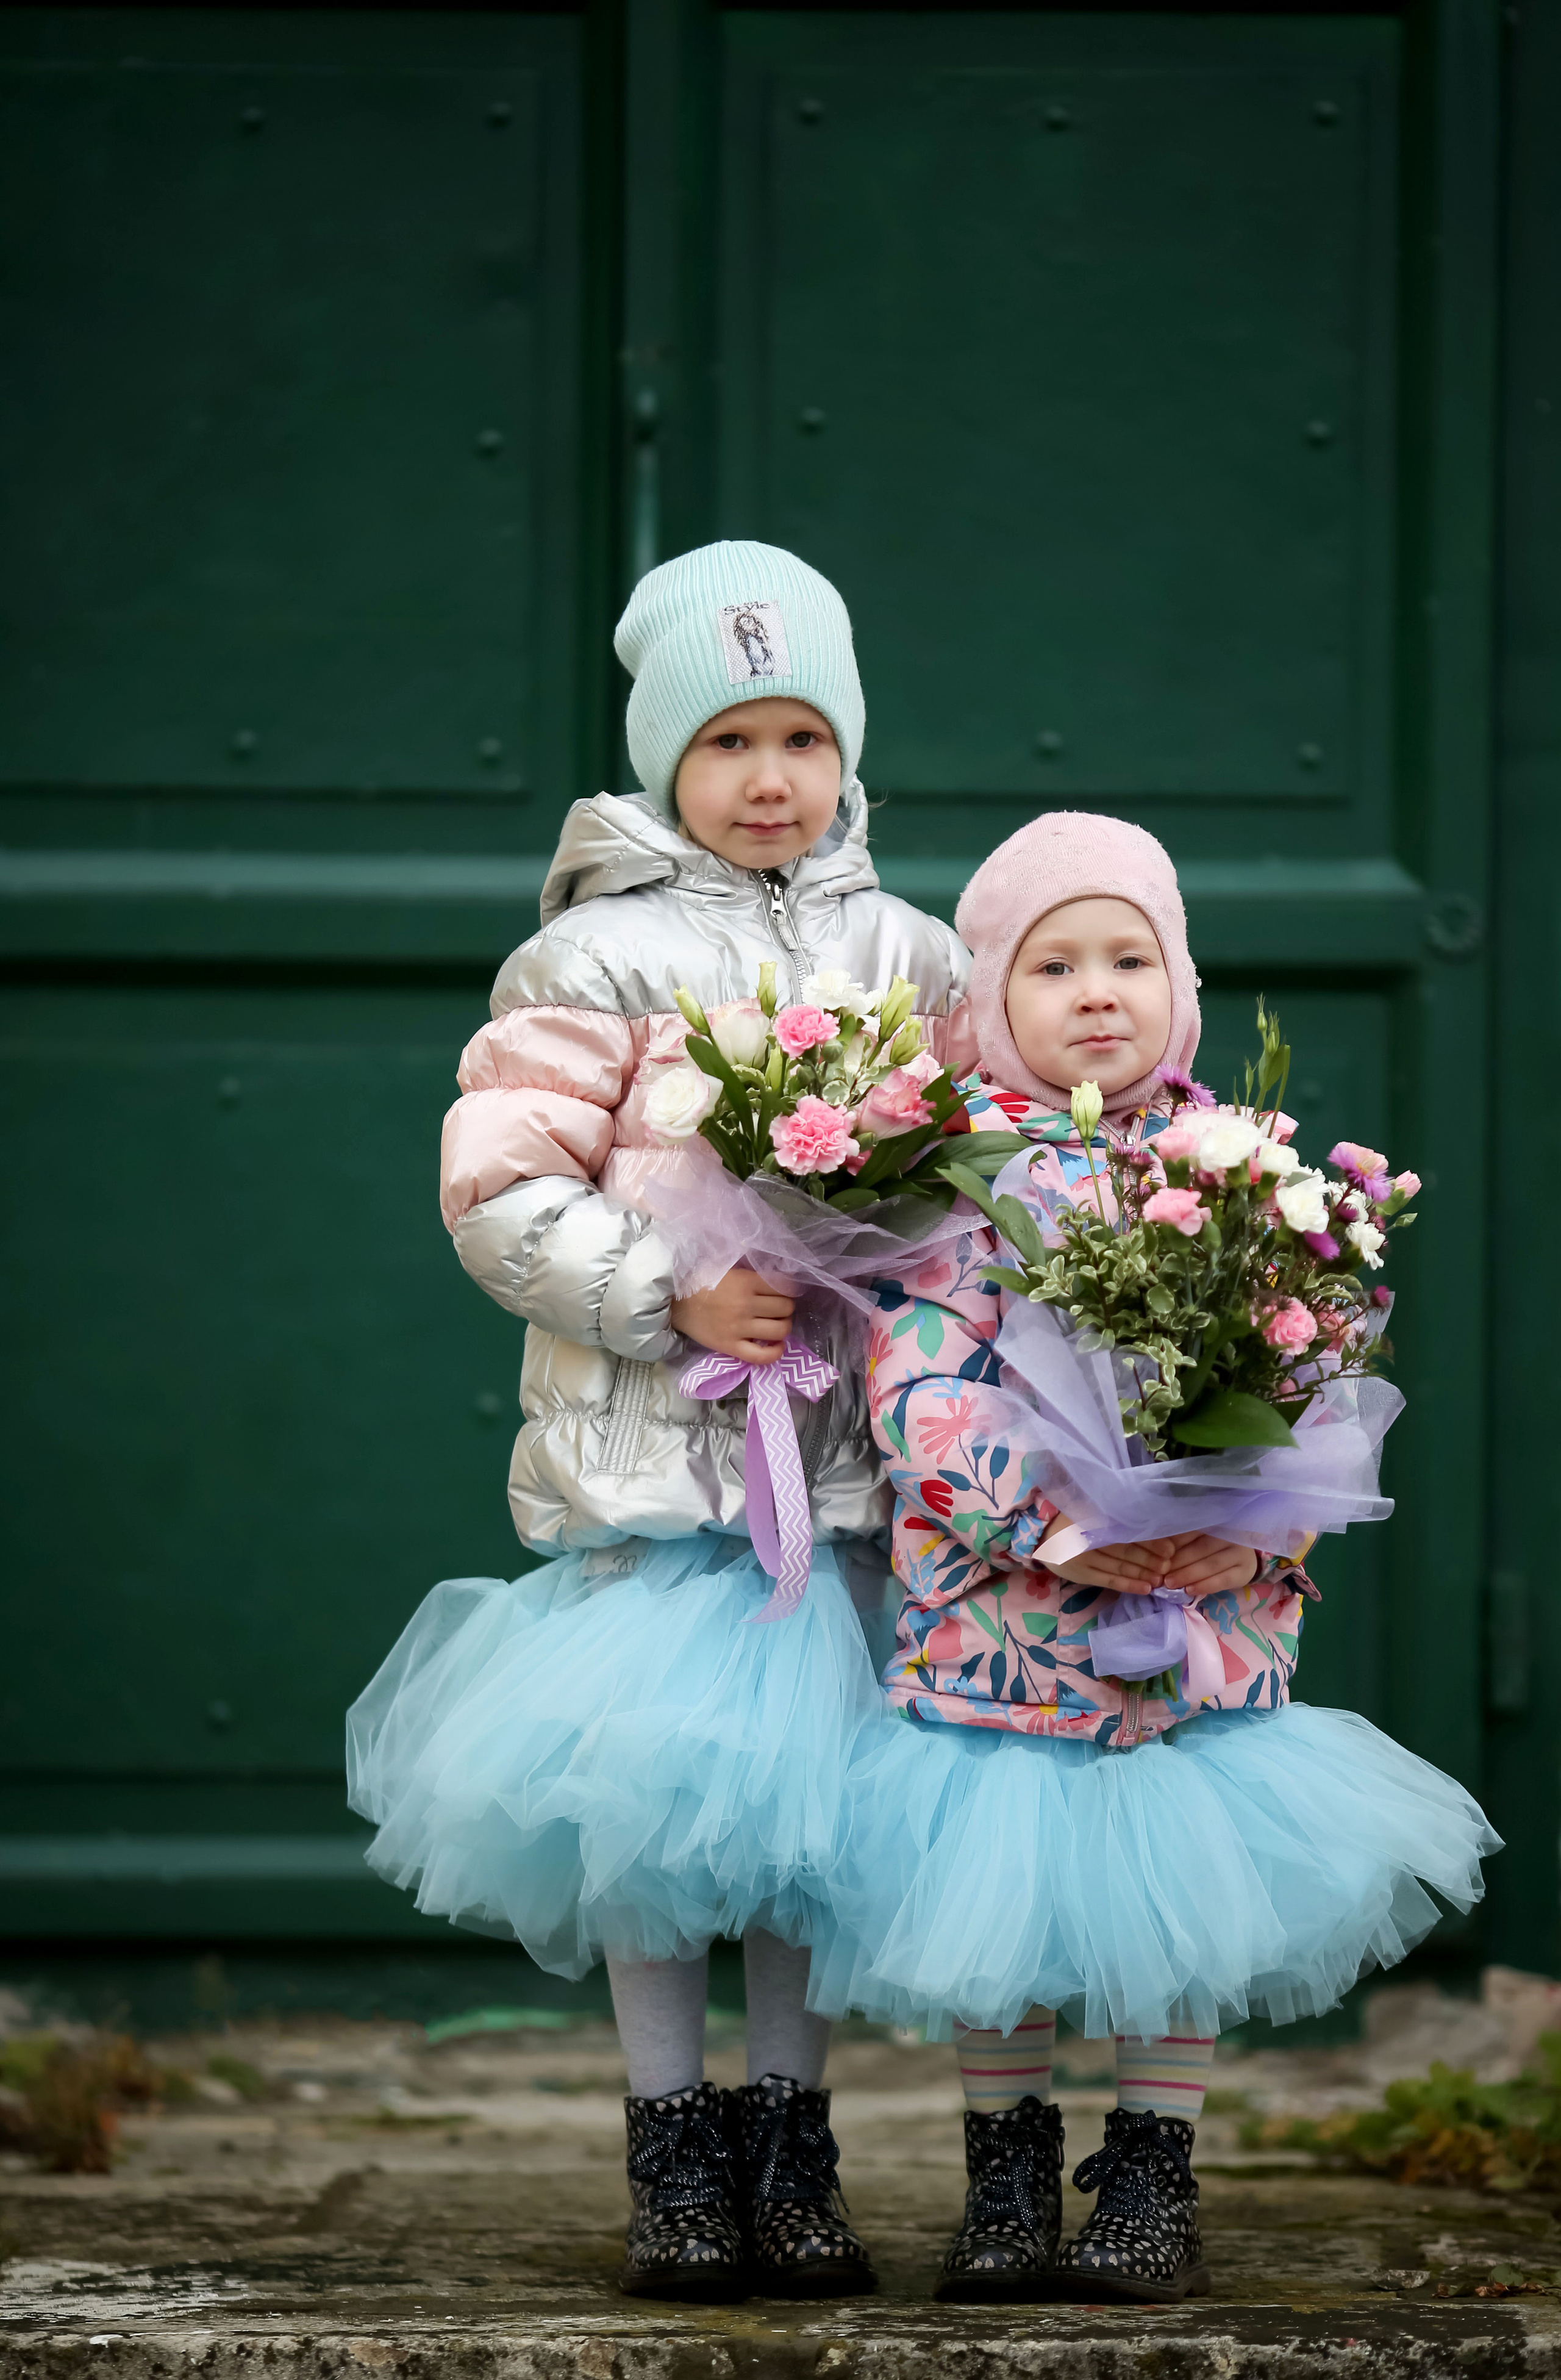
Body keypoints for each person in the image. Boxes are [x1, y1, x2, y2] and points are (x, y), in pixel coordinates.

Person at [346, 541, 971, 2302]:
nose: (769, 778)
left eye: (802, 737)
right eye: (726, 741)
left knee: (806, 1823)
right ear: (662, 759)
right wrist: (666, 1291)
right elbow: (499, 1191)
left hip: (839, 1469)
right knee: (656, 1810)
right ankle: (671, 2146)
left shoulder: (911, 949)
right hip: (658, 1466)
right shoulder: (590, 956)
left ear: (847, 751)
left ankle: (791, 2137)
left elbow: (966, 1185)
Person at [810, 811, 1498, 2305]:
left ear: (1177, 983)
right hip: (1006, 1624)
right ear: (989, 996)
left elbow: (1310, 1368)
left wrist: (1255, 1525)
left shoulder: (1238, 1168)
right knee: (996, 1906)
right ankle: (1005, 2173)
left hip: (1193, 1611)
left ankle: (1149, 2170)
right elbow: (921, 1390)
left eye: (1127, 958)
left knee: (1173, 1898)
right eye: (1051, 965)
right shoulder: (957, 1182)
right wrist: (1056, 1528)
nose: (1095, 993)